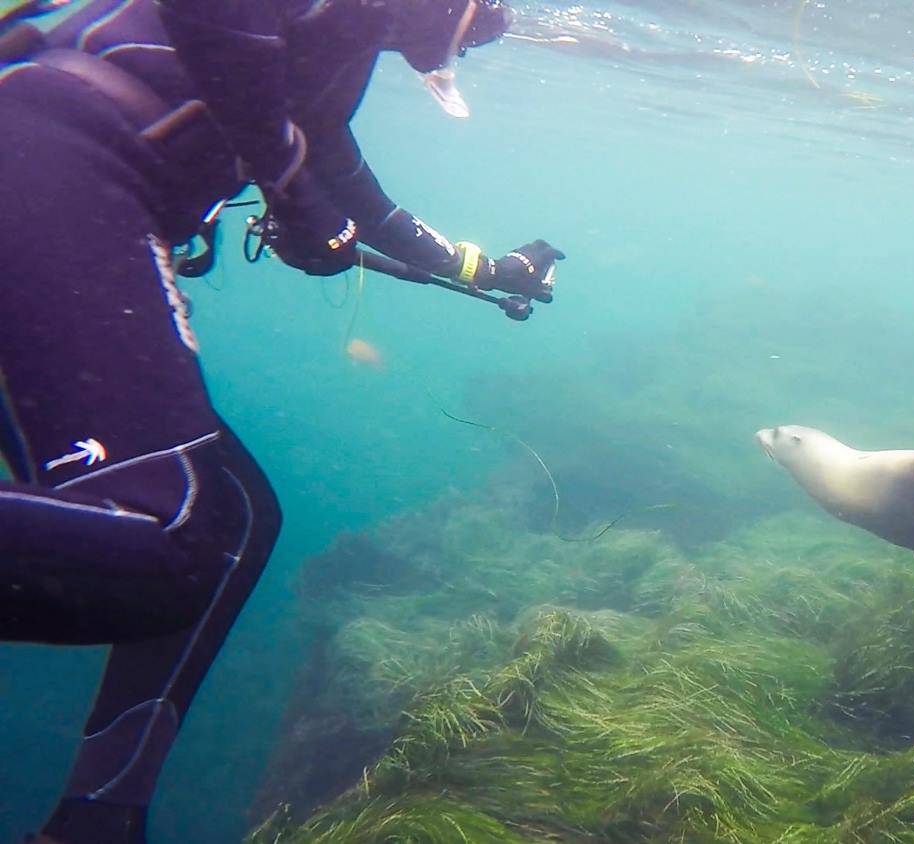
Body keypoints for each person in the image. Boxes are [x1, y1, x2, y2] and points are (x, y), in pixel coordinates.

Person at [0, 1, 565, 841]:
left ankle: (95, 820)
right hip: (61, 156)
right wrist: (291, 192)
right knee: (169, 538)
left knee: (228, 520)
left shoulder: (337, 45)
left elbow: (345, 180)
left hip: (49, 156)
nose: (498, 26)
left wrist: (487, 269)